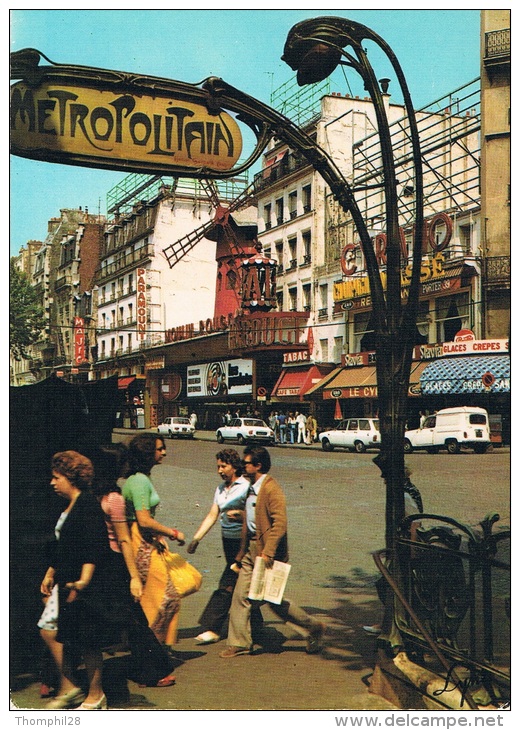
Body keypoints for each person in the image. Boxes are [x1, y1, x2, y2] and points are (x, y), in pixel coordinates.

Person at [219, 446, 325, 658]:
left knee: (273, 600)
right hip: (251, 550)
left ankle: (312, 627)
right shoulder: (250, 488)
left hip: (267, 553)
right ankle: (239, 643)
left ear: (258, 466)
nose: (243, 466)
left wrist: (268, 552)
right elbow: (250, 522)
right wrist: (240, 554)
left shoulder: (271, 488)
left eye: (247, 463)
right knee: (240, 596)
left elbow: (280, 524)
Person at [91, 444, 177, 687]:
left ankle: (52, 675)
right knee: (134, 621)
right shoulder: (111, 498)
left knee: (129, 620)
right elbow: (124, 540)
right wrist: (133, 577)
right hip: (110, 564)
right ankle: (153, 670)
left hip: (103, 563)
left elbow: (122, 539)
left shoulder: (100, 497)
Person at [39, 451, 113, 710]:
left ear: (70, 478)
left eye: (56, 477)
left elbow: (92, 547)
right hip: (66, 582)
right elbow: (64, 545)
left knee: (87, 641)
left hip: (81, 586)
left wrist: (84, 581)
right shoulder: (69, 505)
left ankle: (96, 695)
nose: (52, 482)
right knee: (49, 629)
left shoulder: (88, 506)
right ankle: (69, 685)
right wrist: (51, 572)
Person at [122, 433, 186, 648]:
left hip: (145, 540)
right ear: (147, 452)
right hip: (139, 542)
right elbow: (143, 520)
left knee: (156, 598)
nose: (164, 453)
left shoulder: (140, 478)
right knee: (166, 598)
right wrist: (172, 533)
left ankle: (153, 649)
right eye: (159, 449)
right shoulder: (139, 480)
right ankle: (152, 649)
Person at [186, 449, 251, 644]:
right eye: (218, 467)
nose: (220, 470)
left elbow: (253, 514)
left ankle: (213, 628)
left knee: (228, 581)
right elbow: (213, 514)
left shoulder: (246, 486)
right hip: (227, 541)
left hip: (243, 542)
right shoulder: (221, 489)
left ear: (234, 466)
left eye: (224, 466)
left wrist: (239, 514)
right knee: (242, 580)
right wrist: (196, 539)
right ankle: (256, 625)